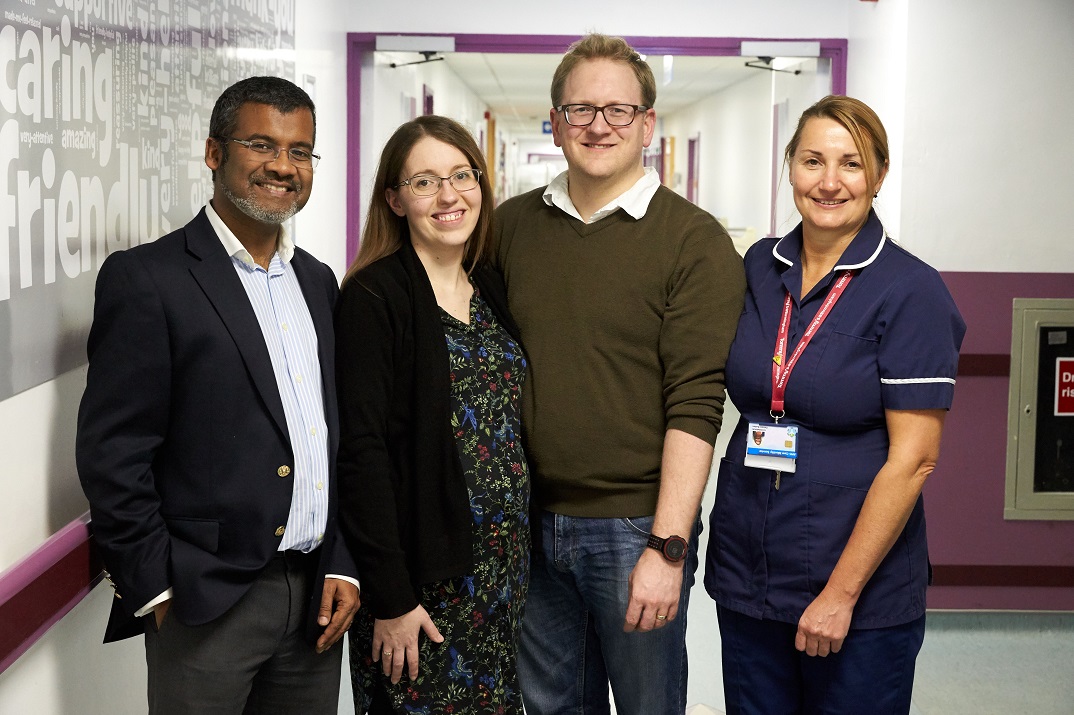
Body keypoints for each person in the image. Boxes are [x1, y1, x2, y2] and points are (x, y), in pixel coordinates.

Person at [75, 76, 359, 714]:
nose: (283, 167)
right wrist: (155, 586)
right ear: (214, 153)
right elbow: (113, 451)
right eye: (262, 144)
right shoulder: (149, 279)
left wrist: (343, 560)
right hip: (206, 603)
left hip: (313, 597)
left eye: (300, 151)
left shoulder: (317, 281)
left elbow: (334, 436)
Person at [494, 34, 746, 714]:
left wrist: (669, 546)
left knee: (646, 704)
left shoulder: (694, 241)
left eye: (617, 110)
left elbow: (697, 403)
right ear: (556, 120)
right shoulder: (511, 228)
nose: (598, 124)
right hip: (532, 522)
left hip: (635, 527)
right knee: (548, 705)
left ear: (647, 124)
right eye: (579, 109)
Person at [704, 95, 966, 714]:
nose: (828, 182)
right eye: (812, 160)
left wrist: (840, 595)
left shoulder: (911, 290)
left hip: (857, 592)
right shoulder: (758, 267)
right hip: (749, 573)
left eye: (850, 164)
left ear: (878, 176)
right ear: (789, 167)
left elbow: (916, 461)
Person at [336, 115, 530, 714]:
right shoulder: (374, 297)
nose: (449, 196)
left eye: (461, 176)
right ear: (394, 199)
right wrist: (391, 599)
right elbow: (361, 453)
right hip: (424, 586)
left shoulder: (490, 285)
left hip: (502, 579)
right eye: (424, 182)